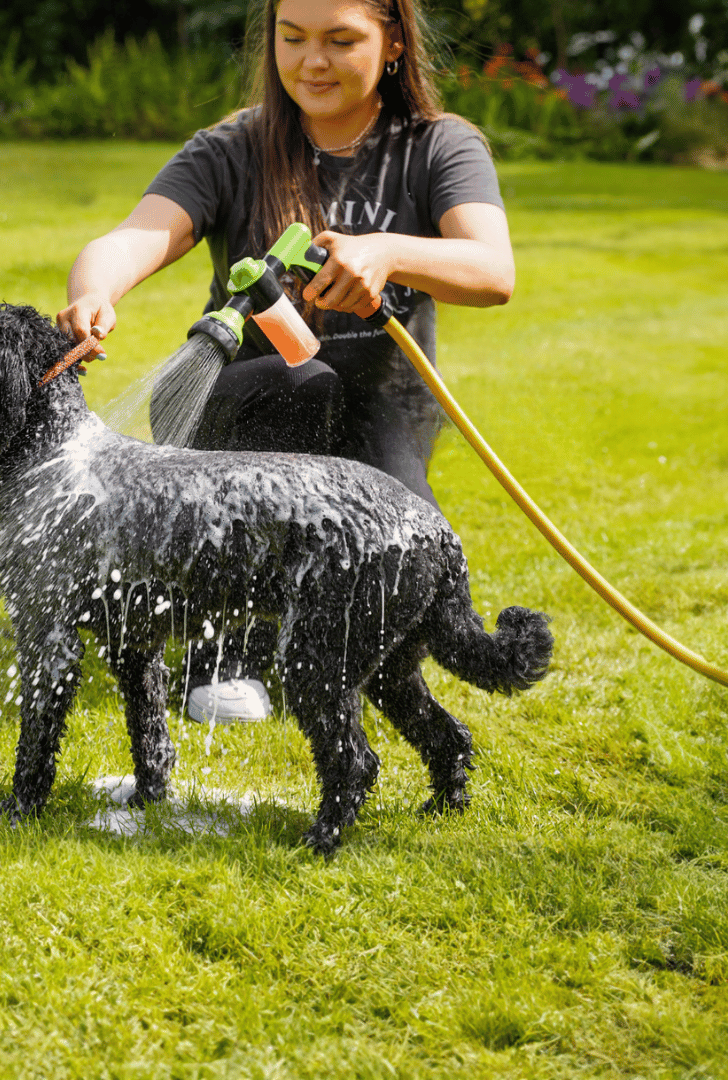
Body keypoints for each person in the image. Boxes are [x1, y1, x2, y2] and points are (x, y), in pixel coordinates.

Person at [57, 0, 514, 722]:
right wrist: (94, 292)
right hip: (240, 403)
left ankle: (326, 633)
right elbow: (133, 237)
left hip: (376, 406)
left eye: (340, 41)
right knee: (302, 382)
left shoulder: (437, 146)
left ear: (393, 39)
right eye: (292, 38)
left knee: (401, 548)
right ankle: (221, 652)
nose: (312, 62)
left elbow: (493, 270)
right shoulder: (232, 147)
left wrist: (391, 251)